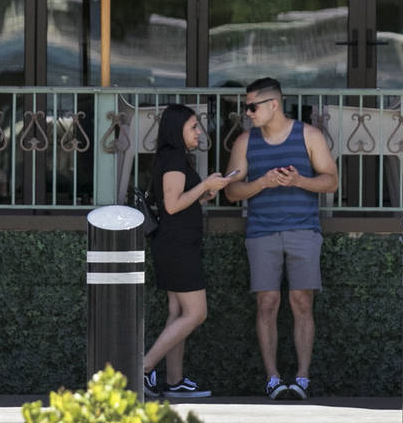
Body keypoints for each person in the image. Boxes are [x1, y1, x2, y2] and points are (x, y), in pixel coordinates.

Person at [224, 77, 338, 400]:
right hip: (261, 232)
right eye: (247, 107)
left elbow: (331, 181)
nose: (248, 113)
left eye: (252, 107)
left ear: (274, 104)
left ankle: (302, 378)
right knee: (267, 303)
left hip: (304, 229)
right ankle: (272, 378)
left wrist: (300, 180)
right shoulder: (245, 143)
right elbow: (231, 192)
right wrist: (262, 183)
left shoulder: (309, 135)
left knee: (302, 301)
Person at [141, 104, 232, 400]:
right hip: (177, 247)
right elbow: (171, 205)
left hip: (177, 244)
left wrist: (203, 194)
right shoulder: (174, 159)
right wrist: (205, 184)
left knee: (178, 312)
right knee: (196, 313)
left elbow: (180, 202)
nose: (199, 132)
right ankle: (142, 367)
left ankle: (175, 380)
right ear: (177, 129)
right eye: (193, 126)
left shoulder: (176, 159)